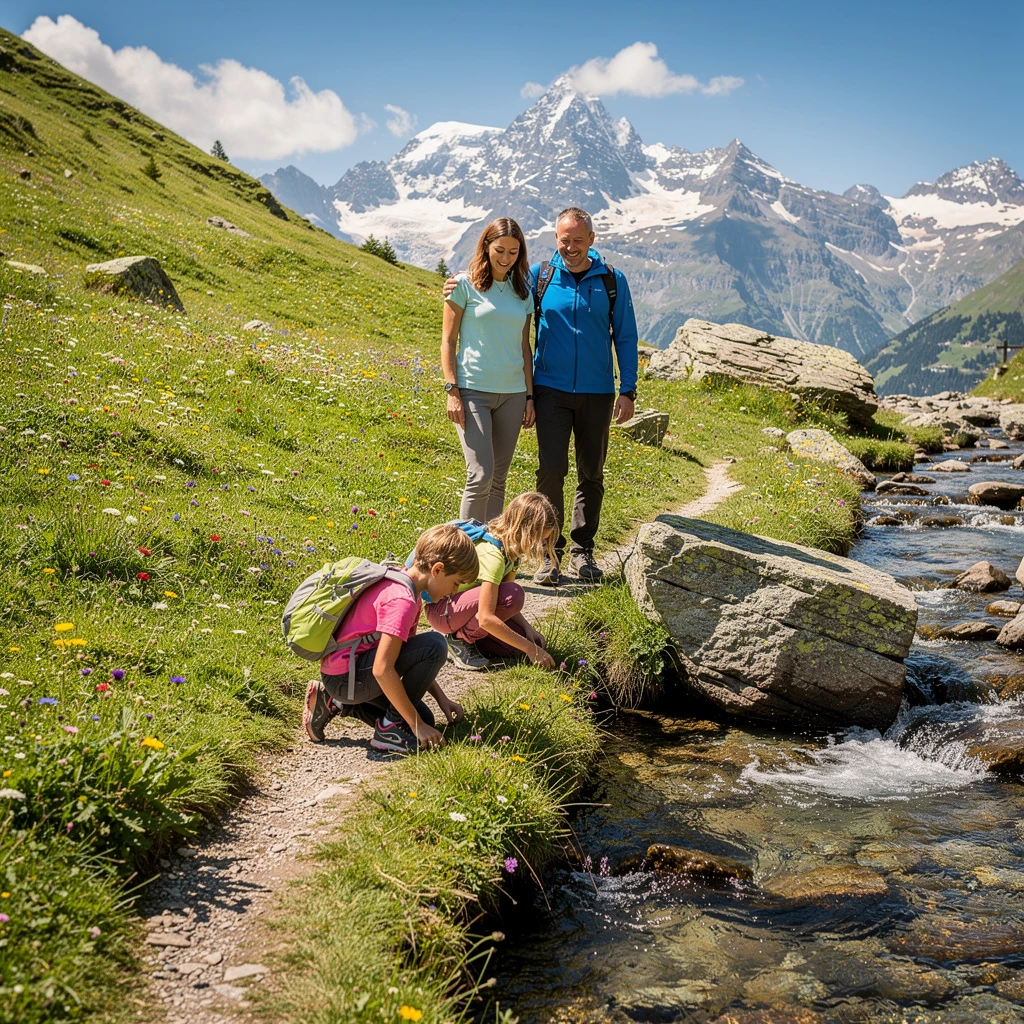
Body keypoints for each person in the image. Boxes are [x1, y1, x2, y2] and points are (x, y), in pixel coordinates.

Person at [444, 208, 639, 586]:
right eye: (564, 240)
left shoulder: (613, 280)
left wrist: (627, 388)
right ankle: (549, 555)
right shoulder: (540, 278)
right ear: (556, 239)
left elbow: (626, 337)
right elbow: (495, 287)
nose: (570, 247)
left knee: (591, 474)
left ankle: (583, 551)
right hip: (550, 390)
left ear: (592, 240)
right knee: (550, 472)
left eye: (578, 241)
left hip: (598, 391)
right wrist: (455, 283)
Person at [302, 524, 480, 753]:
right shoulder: (403, 600)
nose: (454, 592)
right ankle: (390, 729)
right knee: (436, 645)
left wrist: (440, 700)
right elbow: (382, 669)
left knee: (426, 718)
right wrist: (414, 725)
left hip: (346, 675)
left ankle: (334, 702)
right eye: (456, 582)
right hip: (349, 677)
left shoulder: (404, 586)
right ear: (437, 569)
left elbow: (412, 657)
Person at [442, 217, 536, 523]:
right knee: (480, 474)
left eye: (513, 252)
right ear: (486, 246)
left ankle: (490, 553)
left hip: (513, 394)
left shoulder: (523, 291)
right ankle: (463, 554)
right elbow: (447, 341)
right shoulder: (463, 285)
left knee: (498, 480)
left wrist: (530, 398)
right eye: (499, 250)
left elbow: (525, 348)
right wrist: (452, 391)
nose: (506, 258)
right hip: (473, 392)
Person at [423, 492, 558, 671]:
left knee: (514, 649)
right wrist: (530, 648)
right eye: (539, 539)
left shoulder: (511, 553)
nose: (539, 545)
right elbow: (487, 617)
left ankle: (469, 637)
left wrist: (528, 630)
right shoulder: (493, 555)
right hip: (442, 611)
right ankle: (458, 641)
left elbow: (501, 602)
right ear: (525, 531)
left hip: (462, 612)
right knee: (514, 594)